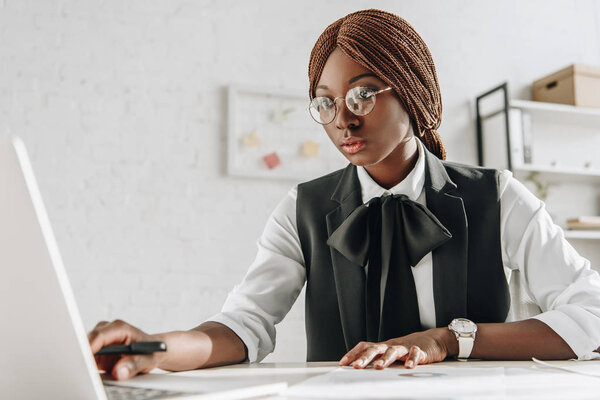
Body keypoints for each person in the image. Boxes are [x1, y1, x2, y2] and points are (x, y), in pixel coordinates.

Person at [89, 9, 600, 380]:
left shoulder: (496, 197)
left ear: (412, 89)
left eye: (363, 94)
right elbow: (244, 325)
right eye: (326, 103)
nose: (344, 118)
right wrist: (156, 347)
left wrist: (448, 339)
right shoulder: (302, 209)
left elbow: (591, 314)